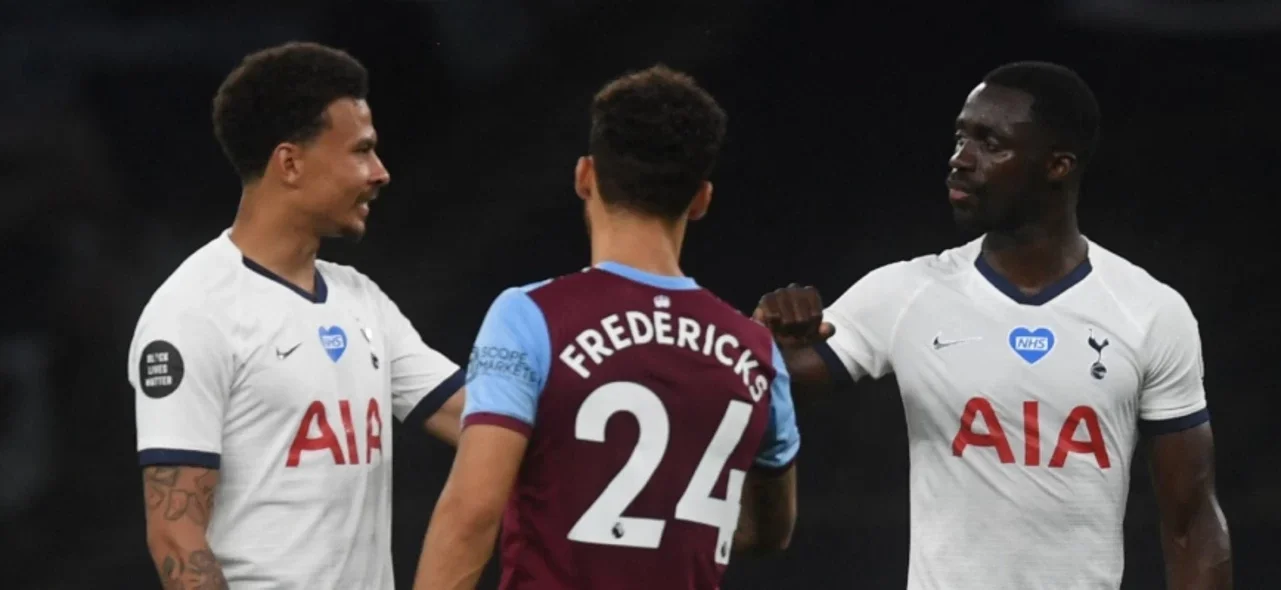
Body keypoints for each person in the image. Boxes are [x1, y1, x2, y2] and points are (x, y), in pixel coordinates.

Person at [754, 61, 1232, 589]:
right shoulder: (905, 293)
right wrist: (765, 338)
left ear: (1058, 166)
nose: (960, 159)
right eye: (961, 136)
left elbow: (1191, 523)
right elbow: (764, 377)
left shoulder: (1149, 311)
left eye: (990, 143)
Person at [412, 64, 800, 590]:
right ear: (702, 198)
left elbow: (472, 511)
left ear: (584, 176)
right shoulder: (757, 351)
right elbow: (768, 533)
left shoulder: (530, 316)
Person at [129, 41, 466, 589]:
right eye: (361, 151)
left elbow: (476, 422)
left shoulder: (361, 298)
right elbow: (175, 534)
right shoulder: (193, 311)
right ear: (290, 162)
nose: (380, 173)